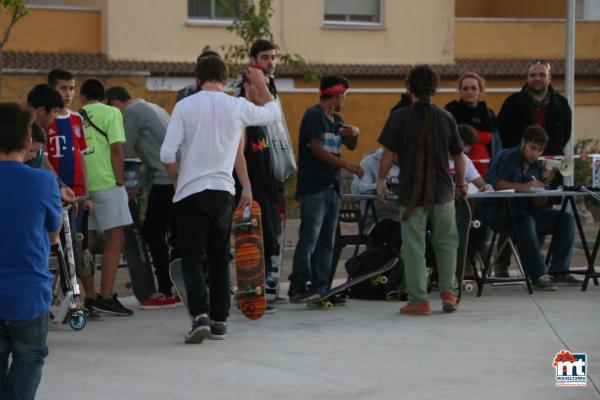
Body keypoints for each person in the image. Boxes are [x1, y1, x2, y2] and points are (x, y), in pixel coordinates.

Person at [160, 56, 282, 343]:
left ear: (197, 77)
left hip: (190, 192)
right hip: (224, 192)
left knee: (192, 258)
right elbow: (273, 114)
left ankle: (199, 314)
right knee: (218, 258)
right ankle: (220, 319)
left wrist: (178, 177)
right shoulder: (236, 106)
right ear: (225, 79)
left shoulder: (184, 106)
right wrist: (260, 83)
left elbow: (166, 154)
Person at [378, 65, 467, 315]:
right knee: (447, 243)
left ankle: (419, 300)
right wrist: (460, 185)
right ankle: (449, 292)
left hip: (410, 193)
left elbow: (387, 154)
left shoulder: (399, 117)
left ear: (409, 87)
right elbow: (458, 156)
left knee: (414, 246)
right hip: (442, 192)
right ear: (435, 88)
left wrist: (381, 181)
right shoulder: (446, 117)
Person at [0, 102, 62, 400]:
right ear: (27, 144)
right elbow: (53, 232)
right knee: (29, 357)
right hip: (29, 294)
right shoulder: (43, 181)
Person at [288, 75, 363, 303]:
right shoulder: (314, 116)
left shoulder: (336, 119)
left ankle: (321, 286)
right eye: (345, 96)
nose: (345, 101)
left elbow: (349, 145)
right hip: (315, 187)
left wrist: (355, 133)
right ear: (337, 94)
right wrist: (347, 165)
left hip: (332, 188)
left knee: (327, 241)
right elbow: (317, 150)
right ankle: (298, 286)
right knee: (309, 238)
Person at [106, 86, 181, 309]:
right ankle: (178, 287)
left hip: (167, 181)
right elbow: (156, 153)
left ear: (114, 103)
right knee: (174, 234)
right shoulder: (151, 107)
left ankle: (166, 290)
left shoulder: (131, 114)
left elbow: (120, 148)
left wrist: (113, 180)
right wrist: (138, 185)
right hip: (176, 178)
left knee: (152, 233)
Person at [477, 125, 578, 290]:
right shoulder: (505, 156)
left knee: (565, 220)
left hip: (525, 211)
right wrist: (525, 186)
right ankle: (538, 274)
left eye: (539, 150)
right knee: (525, 221)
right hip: (496, 212)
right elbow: (493, 183)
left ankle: (559, 270)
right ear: (523, 142)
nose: (535, 153)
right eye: (532, 148)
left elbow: (538, 203)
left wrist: (544, 184)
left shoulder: (538, 166)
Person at [79, 79, 134, 316]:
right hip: (107, 183)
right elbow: (116, 150)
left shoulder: (75, 116)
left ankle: (89, 298)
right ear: (103, 97)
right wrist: (121, 181)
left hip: (82, 186)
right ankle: (106, 296)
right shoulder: (112, 113)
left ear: (82, 98)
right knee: (116, 239)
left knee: (86, 243)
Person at [232, 71, 281, 314]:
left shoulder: (259, 120)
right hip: (248, 195)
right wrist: (246, 189)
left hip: (266, 193)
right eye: (260, 88)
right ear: (247, 87)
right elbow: (237, 155)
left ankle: (258, 292)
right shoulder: (241, 117)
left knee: (269, 244)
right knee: (252, 248)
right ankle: (247, 293)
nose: (265, 94)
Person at [497, 61, 571, 156]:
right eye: (533, 75)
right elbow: (502, 133)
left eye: (542, 75)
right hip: (519, 164)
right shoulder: (512, 103)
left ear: (549, 78)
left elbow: (566, 134)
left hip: (551, 164)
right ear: (527, 78)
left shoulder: (562, 104)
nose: (537, 78)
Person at [445, 72, 501, 177]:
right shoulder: (450, 112)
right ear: (460, 91)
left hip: (487, 171)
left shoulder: (489, 115)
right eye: (465, 88)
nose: (469, 91)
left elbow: (497, 146)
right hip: (458, 172)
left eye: (473, 88)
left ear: (480, 91)